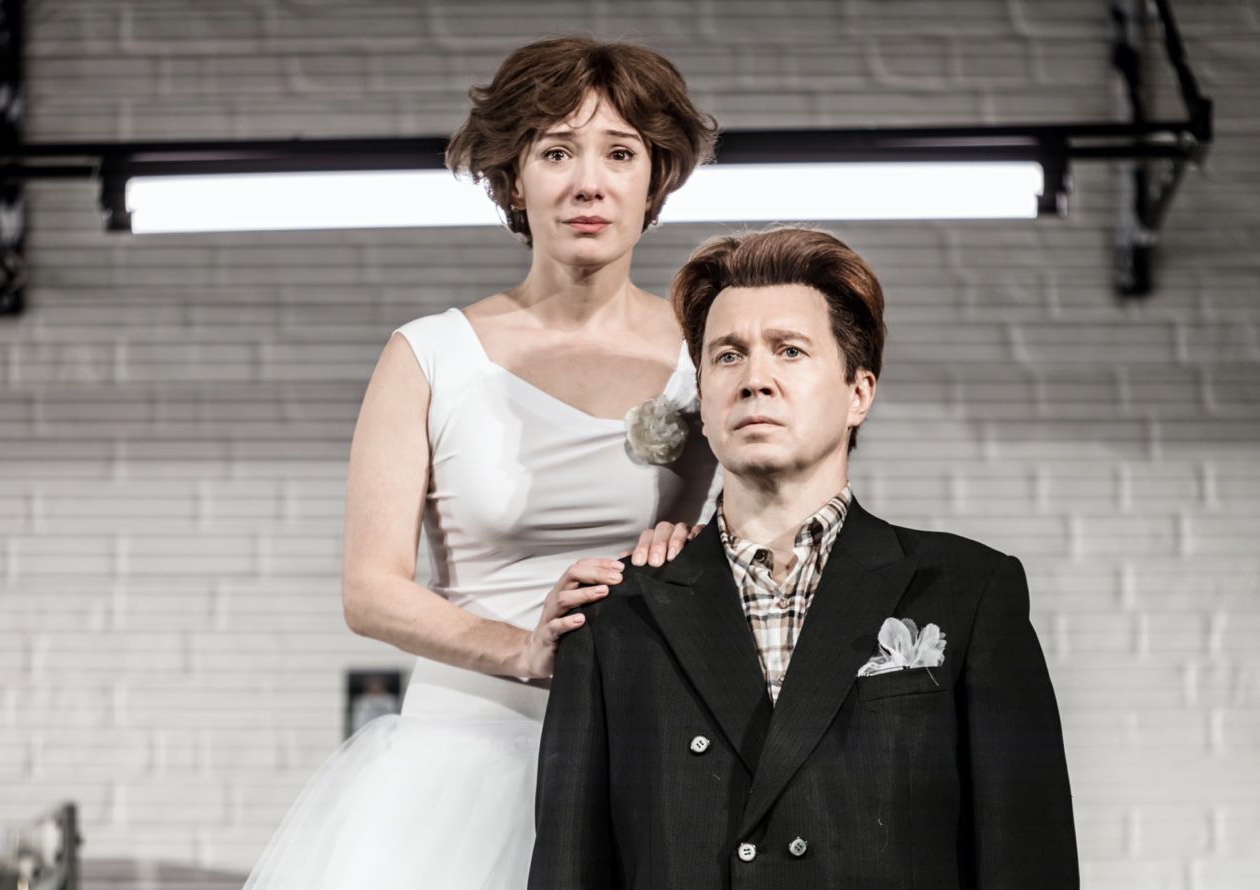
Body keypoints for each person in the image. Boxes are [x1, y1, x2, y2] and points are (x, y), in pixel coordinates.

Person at [242, 37, 719, 890]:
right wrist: (522, 650)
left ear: (655, 179)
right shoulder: (429, 354)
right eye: (556, 152)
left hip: (643, 746)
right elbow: (370, 590)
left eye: (619, 153)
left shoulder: (709, 353)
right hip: (463, 755)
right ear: (512, 178)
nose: (588, 183)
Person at [530, 226, 1080, 889]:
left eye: (789, 350)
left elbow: (1028, 856)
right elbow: (569, 868)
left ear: (858, 393)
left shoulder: (967, 590)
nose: (754, 380)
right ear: (702, 399)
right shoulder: (615, 612)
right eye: (727, 356)